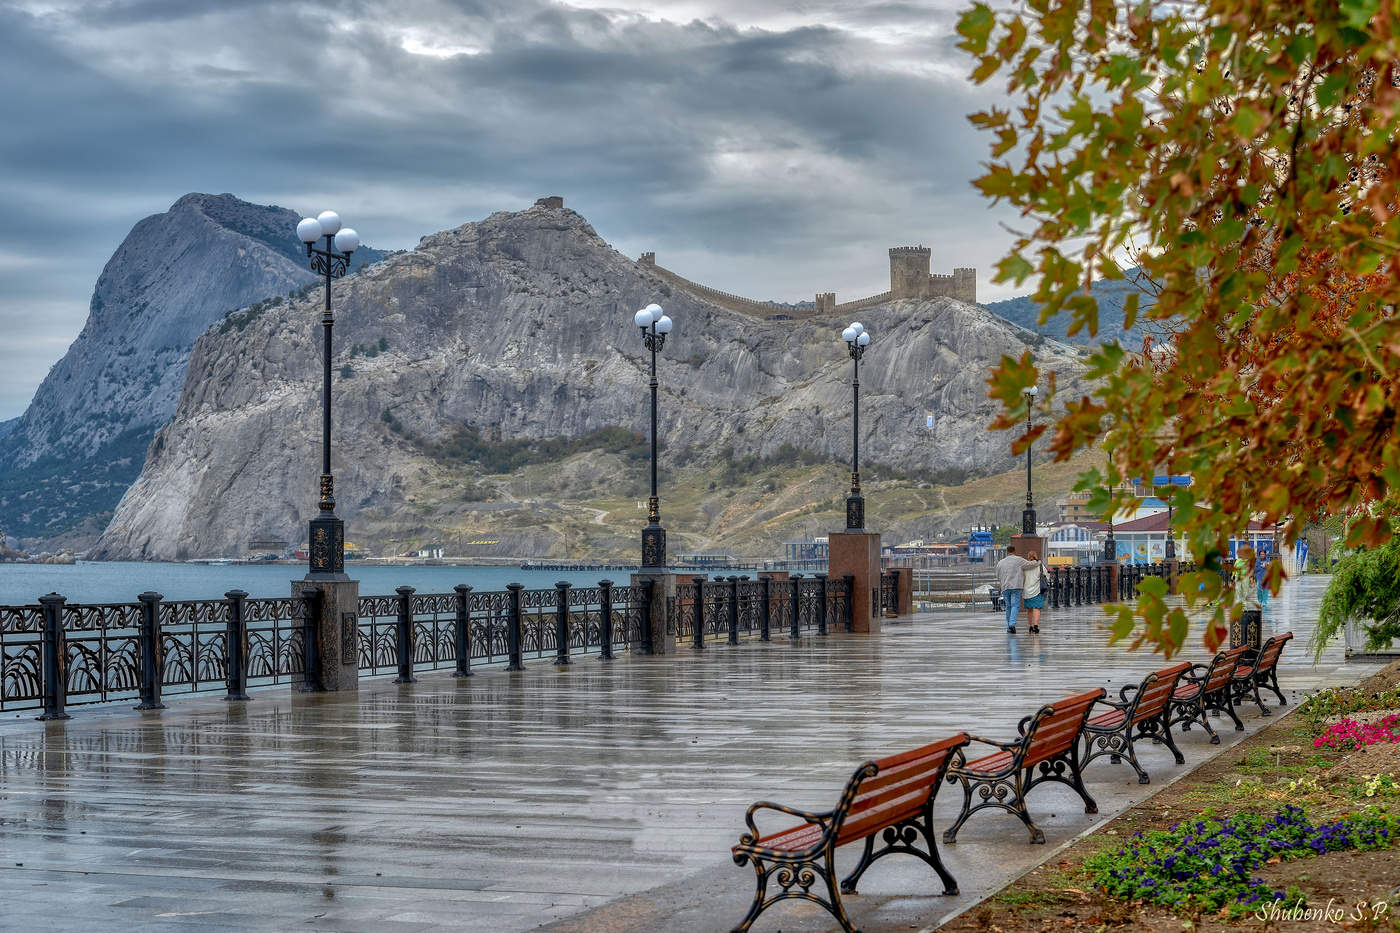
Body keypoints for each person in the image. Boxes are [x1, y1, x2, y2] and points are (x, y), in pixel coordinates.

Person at [996, 544, 1033, 633]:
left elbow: (997, 575)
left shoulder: (1000, 562)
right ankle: (1012, 624)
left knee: (1008, 606)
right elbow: (1030, 565)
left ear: (1007, 552)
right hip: (1016, 586)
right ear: (1014, 551)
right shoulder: (1019, 560)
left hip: (1005, 587)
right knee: (1015, 606)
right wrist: (1038, 562)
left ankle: (1009, 627)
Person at [1022, 551, 1046, 633]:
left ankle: (1030, 626)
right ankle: (1036, 625)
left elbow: (1021, 578)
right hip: (1037, 590)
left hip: (1027, 591)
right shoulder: (1040, 566)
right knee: (1037, 608)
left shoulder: (1024, 567)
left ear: (1028, 557)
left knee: (1029, 609)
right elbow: (1046, 575)